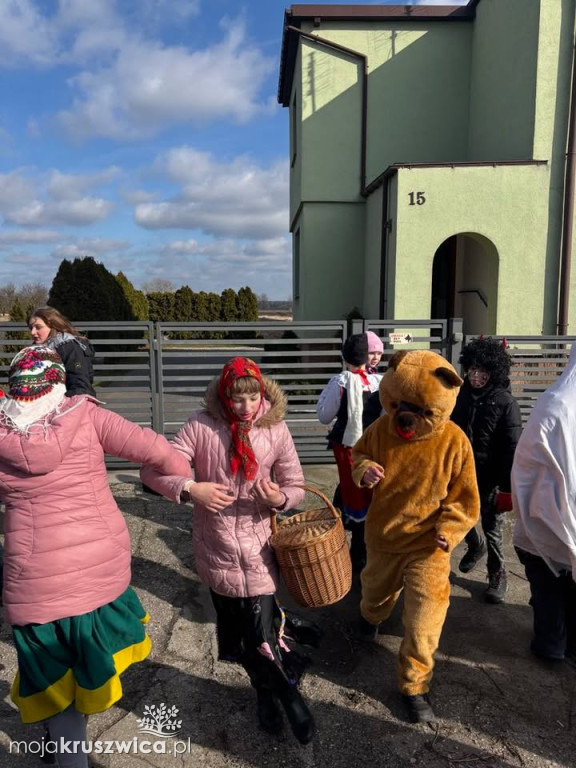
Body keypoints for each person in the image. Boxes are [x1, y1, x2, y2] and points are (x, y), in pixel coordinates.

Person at [0, 345, 192, 768]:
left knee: (53, 676)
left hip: (34, 584)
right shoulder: (86, 416)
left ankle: (60, 742)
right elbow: (157, 450)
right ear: (59, 383)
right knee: (86, 669)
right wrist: (185, 478)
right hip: (98, 575)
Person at [140, 357, 316, 745]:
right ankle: (265, 693)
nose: (246, 406)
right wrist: (190, 488)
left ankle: (289, 696)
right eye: (237, 399)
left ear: (262, 394)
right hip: (216, 550)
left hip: (259, 551)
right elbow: (153, 471)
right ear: (224, 395)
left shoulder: (275, 429)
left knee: (263, 635)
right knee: (242, 641)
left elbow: (297, 484)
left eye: (253, 397)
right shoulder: (201, 426)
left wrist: (281, 496)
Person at [352, 350, 479, 724]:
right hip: (385, 536)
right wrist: (364, 469)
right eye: (401, 406)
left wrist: (450, 530)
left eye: (422, 410)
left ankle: (415, 685)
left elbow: (465, 499)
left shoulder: (454, 443)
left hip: (429, 546)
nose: (408, 418)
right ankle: (371, 615)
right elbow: (358, 454)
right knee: (375, 591)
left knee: (425, 620)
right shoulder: (380, 429)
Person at [511, 345, 576, 665]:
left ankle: (551, 644)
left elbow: (527, 461)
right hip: (567, 512)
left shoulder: (554, 402)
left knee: (548, 581)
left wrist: (523, 500)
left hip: (544, 512)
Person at [450, 337, 522, 603]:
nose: (476, 376)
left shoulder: (506, 403)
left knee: (492, 526)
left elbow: (512, 447)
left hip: (491, 477)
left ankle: (497, 574)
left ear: (494, 372)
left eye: (483, 371)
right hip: (461, 473)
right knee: (456, 516)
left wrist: (506, 487)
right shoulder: (459, 396)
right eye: (472, 370)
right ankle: (474, 544)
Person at [316, 334, 382, 572]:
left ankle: (356, 552)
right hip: (375, 444)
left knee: (354, 490)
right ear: (367, 357)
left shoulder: (340, 382)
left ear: (344, 357)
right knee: (368, 492)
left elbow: (324, 415)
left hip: (349, 445)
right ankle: (366, 548)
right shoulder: (379, 381)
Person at [28, 306, 96, 396]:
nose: (32, 332)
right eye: (31, 327)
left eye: (38, 327)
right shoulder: (36, 349)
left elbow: (80, 386)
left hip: (67, 406)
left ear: (53, 326)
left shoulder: (68, 347)